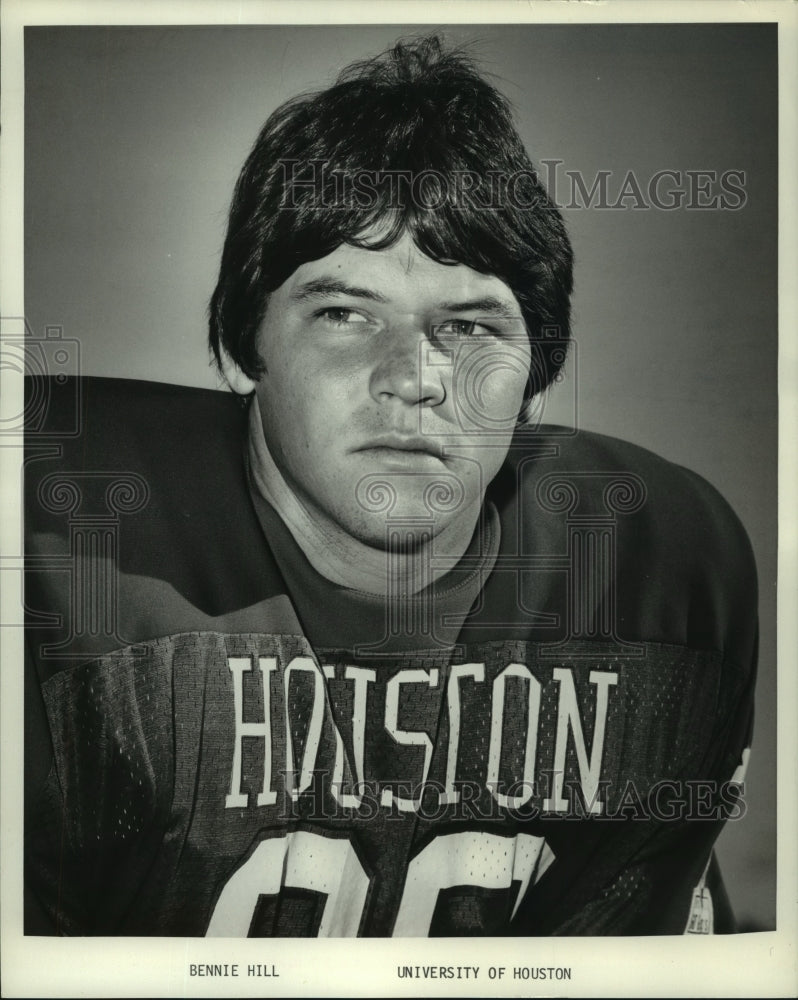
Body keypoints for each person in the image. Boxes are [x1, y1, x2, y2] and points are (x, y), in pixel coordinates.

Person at [24, 35, 757, 937]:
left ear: (536, 374)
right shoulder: (57, 541)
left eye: (468, 325)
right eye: (343, 313)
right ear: (249, 340)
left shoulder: (660, 570)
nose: (411, 376)